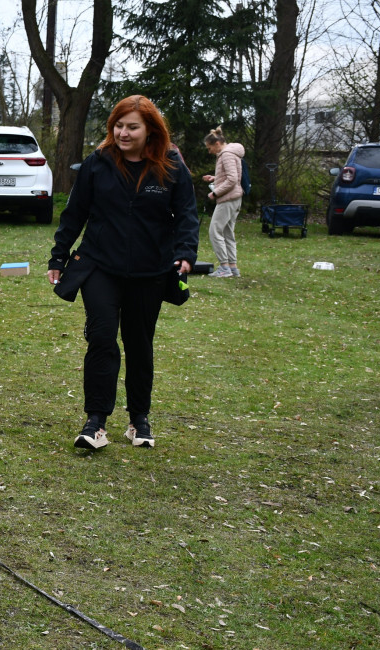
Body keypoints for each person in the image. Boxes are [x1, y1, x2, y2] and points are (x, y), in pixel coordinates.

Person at [47, 95, 199, 450]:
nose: (123, 133)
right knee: (101, 336)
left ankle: (138, 419)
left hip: (151, 270)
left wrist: (185, 254)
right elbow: (74, 214)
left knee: (138, 342)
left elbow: (188, 215)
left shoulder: (171, 166)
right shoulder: (97, 164)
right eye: (118, 125)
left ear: (150, 130)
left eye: (132, 127)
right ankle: (95, 422)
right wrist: (58, 257)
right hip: (100, 264)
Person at [202, 126, 245, 278]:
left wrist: (215, 192)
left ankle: (224, 267)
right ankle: (232, 267)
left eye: (209, 148)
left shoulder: (226, 155)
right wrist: (215, 178)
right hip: (235, 198)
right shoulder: (231, 153)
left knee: (215, 231)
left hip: (228, 198)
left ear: (217, 144)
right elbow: (231, 175)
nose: (209, 151)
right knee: (227, 232)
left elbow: (233, 179)